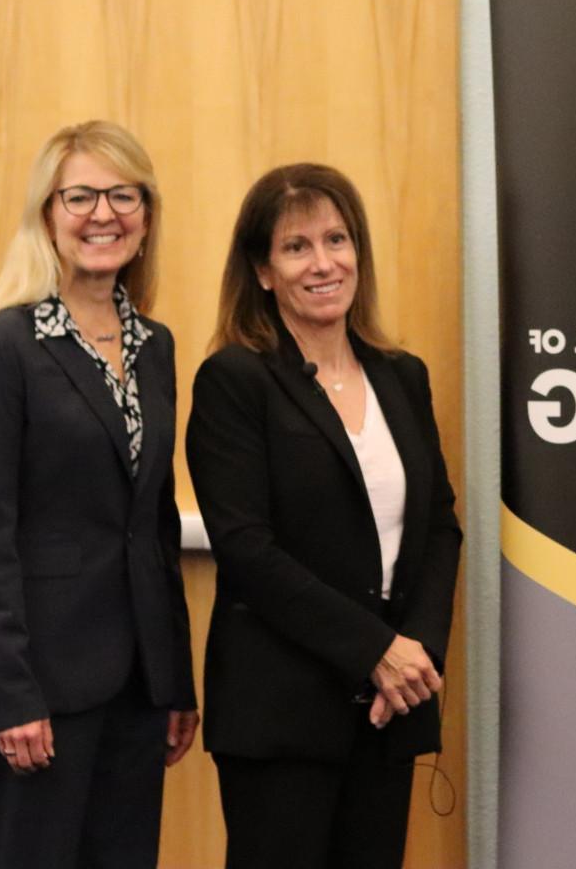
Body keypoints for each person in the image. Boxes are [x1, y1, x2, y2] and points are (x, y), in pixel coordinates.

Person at [186, 163, 461, 869]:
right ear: (263, 271)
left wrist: (416, 656)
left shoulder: (402, 376)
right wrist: (374, 649)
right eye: (296, 247)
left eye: (336, 240)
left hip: (388, 709)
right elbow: (249, 550)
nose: (323, 263)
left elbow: (438, 528)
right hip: (281, 717)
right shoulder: (236, 381)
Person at [0, 120, 199, 869]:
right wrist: (13, 695)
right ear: (48, 214)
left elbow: (154, 529)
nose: (103, 215)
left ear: (147, 216)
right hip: (39, 691)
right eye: (81, 196)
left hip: (135, 687)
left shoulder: (155, 348)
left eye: (123, 195)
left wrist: (173, 679)